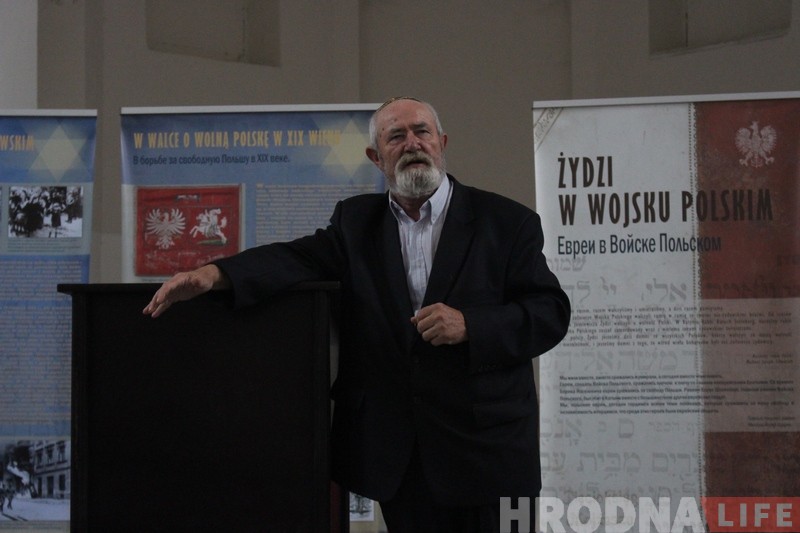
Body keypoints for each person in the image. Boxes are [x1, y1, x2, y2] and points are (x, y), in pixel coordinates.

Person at [144, 96, 571, 531]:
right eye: (396, 136)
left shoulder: (506, 221)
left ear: (441, 143)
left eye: (422, 131)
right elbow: (294, 259)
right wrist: (212, 274)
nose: (412, 143)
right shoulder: (355, 223)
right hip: (401, 462)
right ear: (375, 157)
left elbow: (550, 312)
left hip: (489, 455)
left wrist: (470, 325)